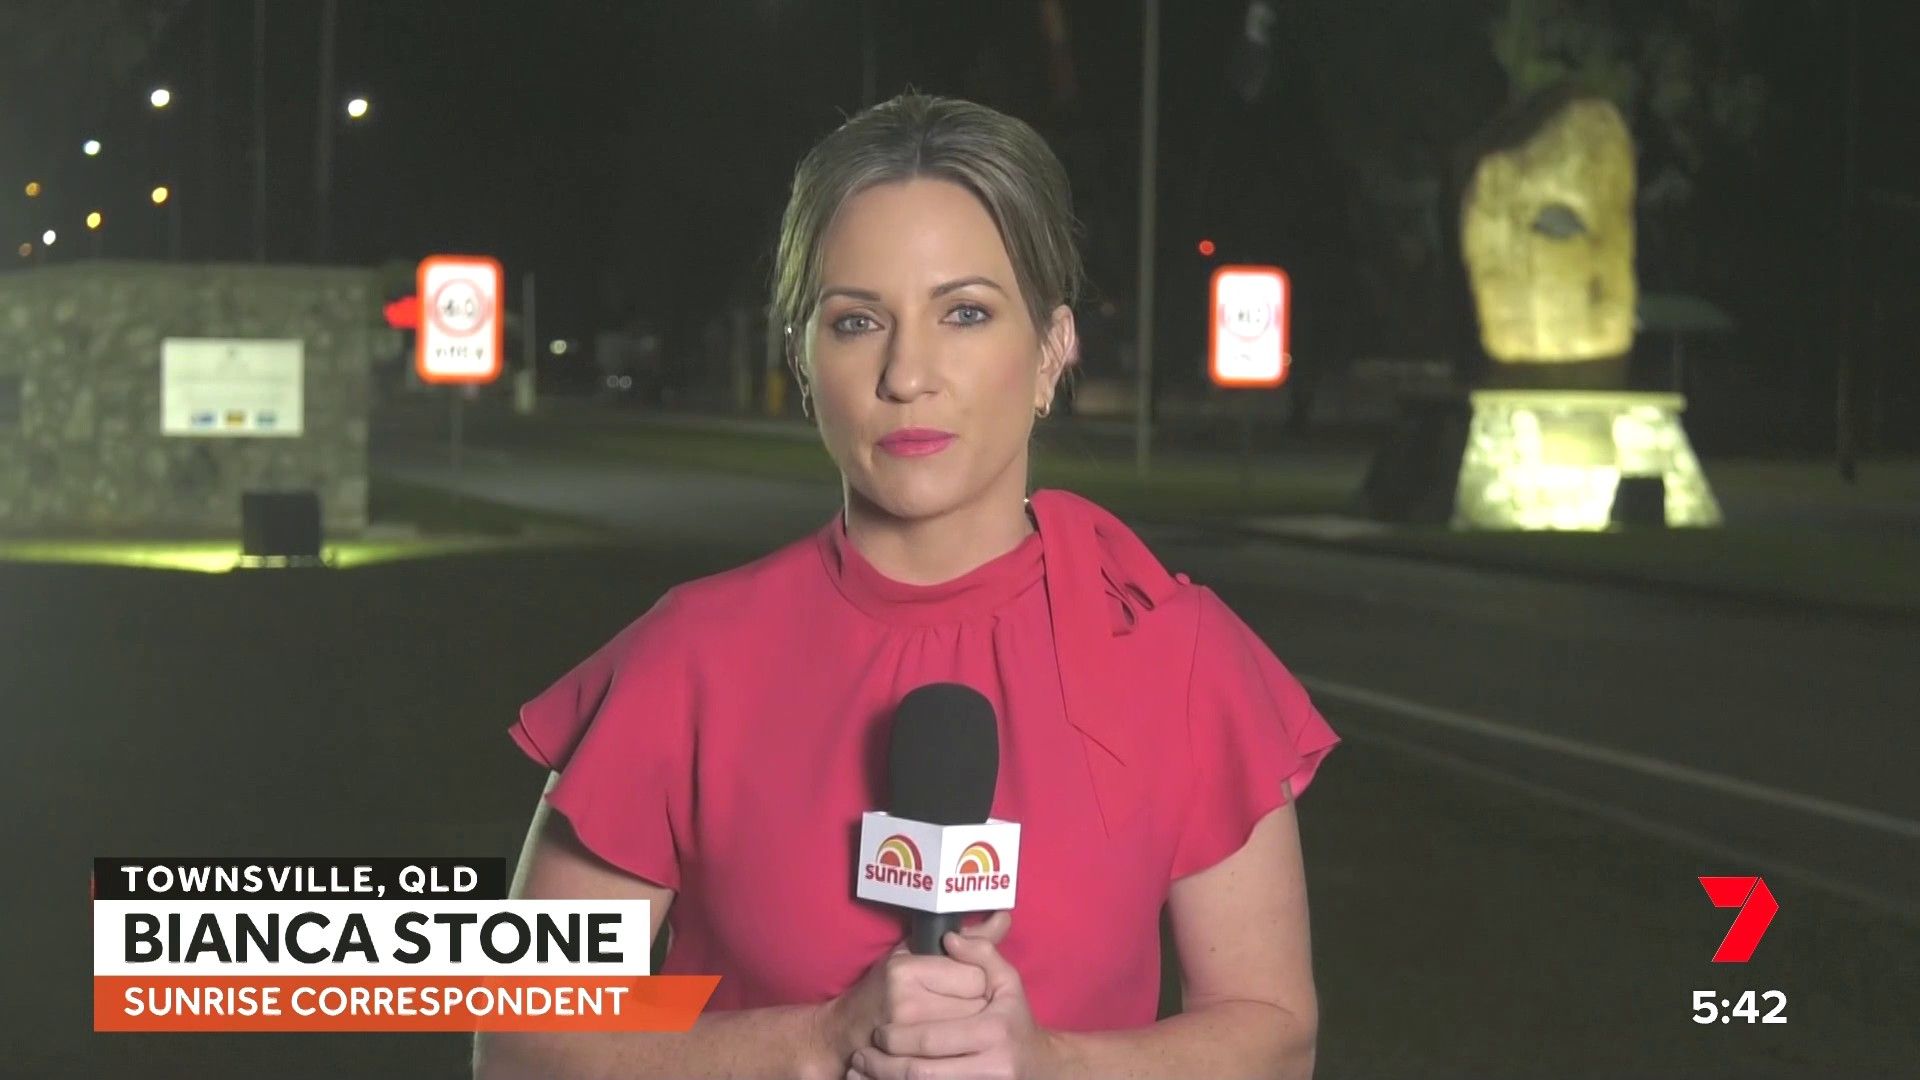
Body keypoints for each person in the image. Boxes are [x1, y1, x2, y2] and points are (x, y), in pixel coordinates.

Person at [474, 93, 1340, 1080]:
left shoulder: (1177, 653)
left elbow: (1274, 1032)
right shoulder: (689, 659)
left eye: (965, 313)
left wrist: (1048, 1064)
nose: (908, 373)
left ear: (1052, 349)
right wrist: (821, 1039)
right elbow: (522, 1041)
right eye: (857, 322)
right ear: (802, 361)